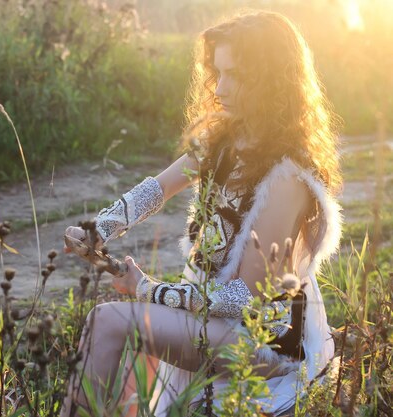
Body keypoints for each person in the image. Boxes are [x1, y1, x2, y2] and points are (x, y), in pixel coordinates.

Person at [59, 10, 343, 417]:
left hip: (265, 343)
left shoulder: (286, 178)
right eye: (218, 72)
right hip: (211, 319)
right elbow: (157, 190)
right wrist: (98, 230)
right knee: (121, 332)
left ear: (271, 80)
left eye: (237, 75)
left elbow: (241, 298)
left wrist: (149, 290)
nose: (221, 87)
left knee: (109, 321)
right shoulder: (225, 139)